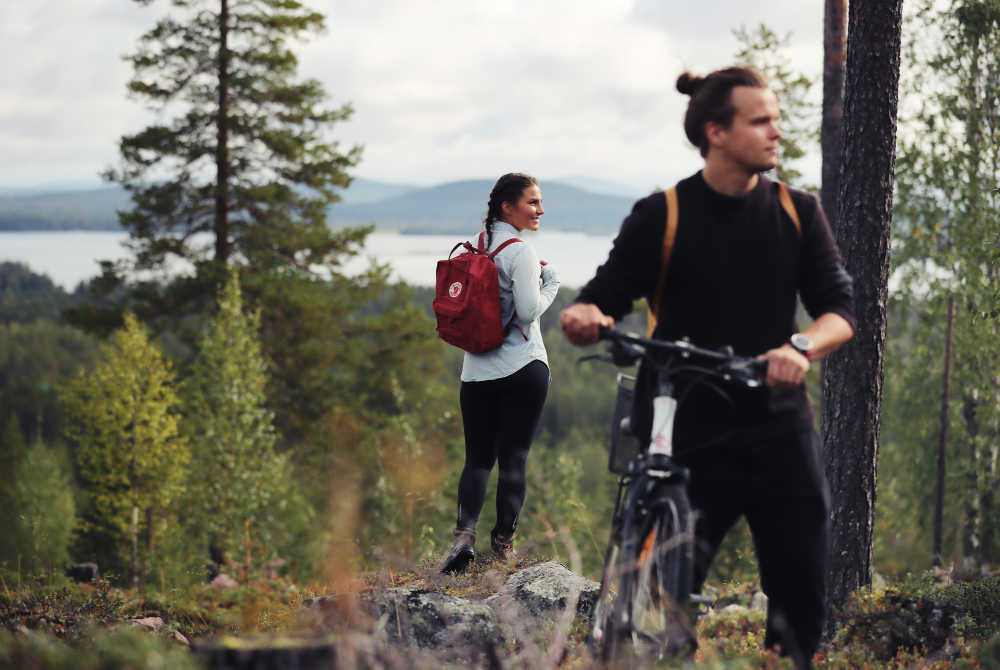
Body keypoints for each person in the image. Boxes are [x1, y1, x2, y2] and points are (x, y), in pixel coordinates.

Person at [560, 67, 855, 668]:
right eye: (762, 120)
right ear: (717, 132)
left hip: (776, 423)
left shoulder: (798, 212)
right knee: (669, 603)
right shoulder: (662, 215)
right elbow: (604, 295)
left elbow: (840, 310)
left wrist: (798, 348)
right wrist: (585, 315)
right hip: (684, 424)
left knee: (800, 593)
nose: (778, 131)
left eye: (775, 118)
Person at [441, 172, 560, 575]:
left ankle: (463, 539)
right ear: (508, 207)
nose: (540, 210)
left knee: (476, 459)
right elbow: (527, 312)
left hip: (476, 372)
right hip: (523, 366)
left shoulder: (471, 247)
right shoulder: (519, 251)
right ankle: (503, 546)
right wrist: (551, 285)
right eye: (532, 202)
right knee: (514, 459)